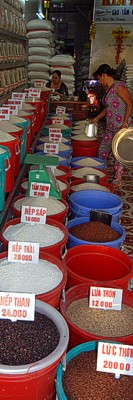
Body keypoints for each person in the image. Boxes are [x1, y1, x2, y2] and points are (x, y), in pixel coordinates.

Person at [91, 63, 133, 186]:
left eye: (99, 78)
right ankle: (99, 173)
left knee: (118, 154)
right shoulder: (108, 89)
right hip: (110, 126)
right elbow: (108, 107)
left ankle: (117, 180)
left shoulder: (119, 86)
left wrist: (125, 121)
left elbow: (130, 103)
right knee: (103, 150)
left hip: (121, 126)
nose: (99, 81)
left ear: (104, 75)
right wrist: (97, 118)